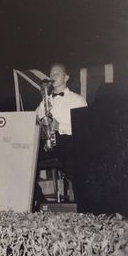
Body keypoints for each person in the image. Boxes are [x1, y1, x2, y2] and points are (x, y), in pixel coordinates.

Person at [35, 62, 88, 206]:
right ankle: (41, 203)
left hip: (68, 140)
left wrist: (59, 126)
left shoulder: (77, 100)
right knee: (26, 160)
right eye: (51, 74)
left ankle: (82, 206)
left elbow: (83, 129)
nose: (52, 76)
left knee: (76, 165)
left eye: (57, 73)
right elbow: (36, 122)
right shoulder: (45, 100)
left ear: (66, 77)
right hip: (47, 141)